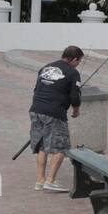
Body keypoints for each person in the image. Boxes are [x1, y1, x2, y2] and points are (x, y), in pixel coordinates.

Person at [29, 45, 84, 192]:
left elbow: (36, 89)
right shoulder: (73, 73)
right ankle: (51, 181)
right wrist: (76, 110)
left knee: (42, 146)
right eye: (78, 61)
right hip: (54, 112)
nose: (78, 64)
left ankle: (40, 181)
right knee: (61, 147)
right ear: (74, 59)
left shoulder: (45, 68)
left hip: (36, 109)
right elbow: (75, 96)